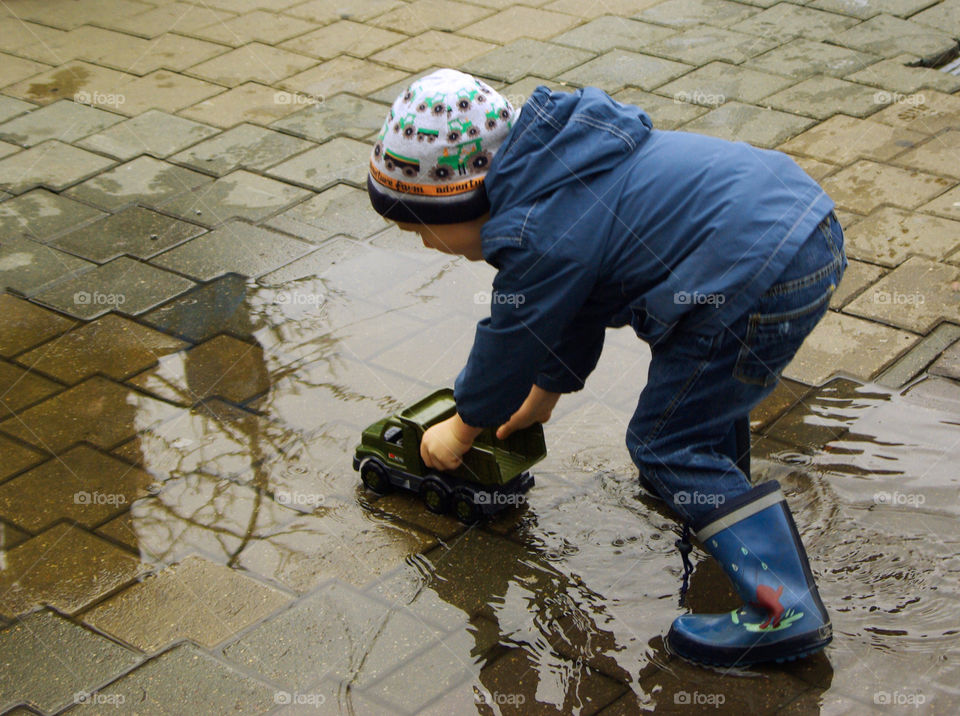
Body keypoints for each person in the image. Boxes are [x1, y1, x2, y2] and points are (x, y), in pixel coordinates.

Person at [366, 68, 845, 667]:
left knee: (663, 441)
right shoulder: (560, 167)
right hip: (797, 228)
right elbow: (574, 306)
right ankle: (718, 508)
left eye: (422, 228)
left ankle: (784, 610)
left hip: (749, 273)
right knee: (700, 403)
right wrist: (543, 396)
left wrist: (463, 425)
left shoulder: (536, 231)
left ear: (468, 194)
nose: (425, 245)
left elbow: (511, 337)